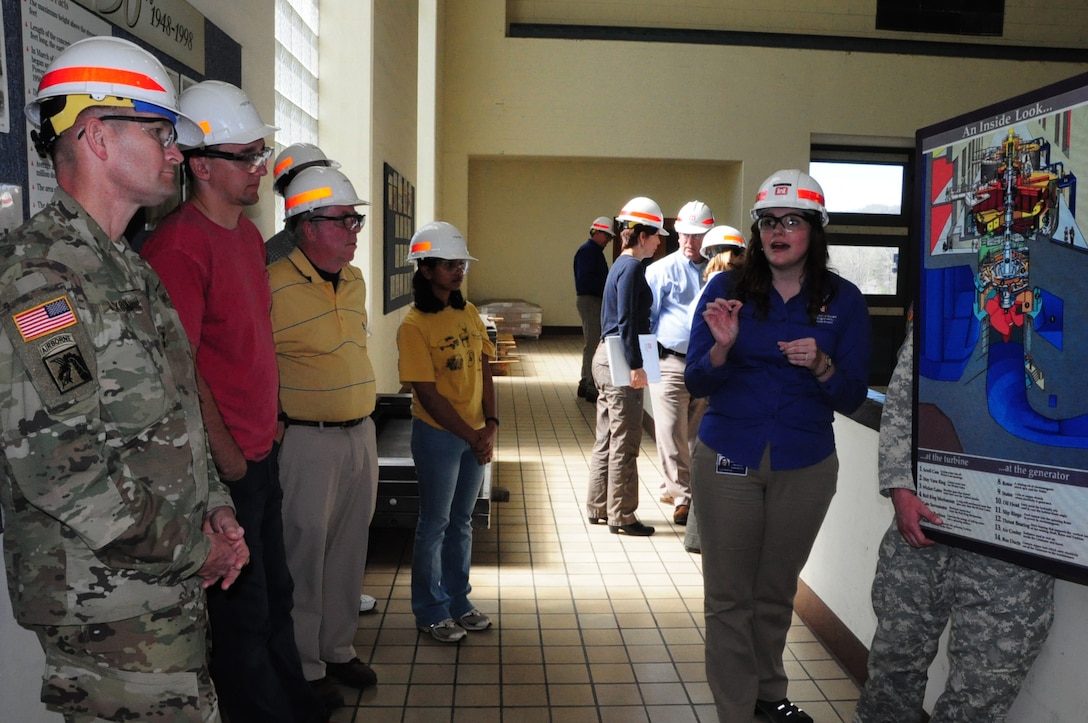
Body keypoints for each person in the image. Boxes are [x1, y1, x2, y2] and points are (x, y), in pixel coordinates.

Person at [0, 36, 249, 721]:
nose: (176, 152)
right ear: (97, 137)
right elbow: (63, 469)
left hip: (160, 589)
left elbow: (176, 415)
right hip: (104, 607)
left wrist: (216, 506)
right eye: (160, 132)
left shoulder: (129, 269)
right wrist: (195, 543)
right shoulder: (41, 277)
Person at [140, 80, 326, 723]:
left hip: (259, 454)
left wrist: (267, 429)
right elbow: (180, 372)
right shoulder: (177, 248)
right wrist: (232, 462)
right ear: (200, 166)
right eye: (245, 157)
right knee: (240, 619)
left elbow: (248, 348)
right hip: (227, 471)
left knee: (276, 593)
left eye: (258, 154)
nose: (259, 169)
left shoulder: (246, 239)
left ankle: (293, 702)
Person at [686, 169, 871, 722]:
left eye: (792, 220)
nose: (777, 231)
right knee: (727, 597)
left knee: (773, 590)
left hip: (805, 462)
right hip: (728, 457)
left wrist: (821, 364)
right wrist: (721, 350)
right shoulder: (725, 291)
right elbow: (697, 380)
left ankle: (769, 694)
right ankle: (737, 712)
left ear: (815, 230)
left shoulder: (846, 300)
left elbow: (853, 394)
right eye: (768, 221)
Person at [853, 319, 1054, 723]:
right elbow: (905, 391)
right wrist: (898, 485)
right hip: (929, 513)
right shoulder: (947, 295)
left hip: (1017, 533)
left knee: (985, 684)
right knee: (896, 657)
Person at [269, 166, 380, 706]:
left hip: (361, 433)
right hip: (306, 442)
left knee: (349, 548)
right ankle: (306, 665)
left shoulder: (355, 280)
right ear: (308, 226)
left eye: (355, 220)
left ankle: (338, 649)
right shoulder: (271, 282)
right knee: (304, 553)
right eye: (345, 221)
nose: (355, 230)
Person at [397, 221, 498, 643]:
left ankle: (459, 600)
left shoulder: (468, 312)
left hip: (475, 433)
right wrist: (471, 434)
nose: (459, 272)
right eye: (450, 265)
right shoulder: (414, 325)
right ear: (426, 269)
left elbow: (486, 369)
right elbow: (428, 393)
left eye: (461, 264)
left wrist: (490, 425)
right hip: (439, 436)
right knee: (435, 523)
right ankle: (430, 609)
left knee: (462, 521)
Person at [586, 196, 667, 537]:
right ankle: (622, 514)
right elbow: (629, 321)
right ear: (642, 234)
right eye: (657, 234)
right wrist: (637, 365)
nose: (661, 241)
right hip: (621, 357)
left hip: (605, 355)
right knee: (626, 439)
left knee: (607, 435)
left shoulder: (620, 263)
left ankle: (598, 506)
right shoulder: (633, 268)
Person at [680, 223, 748, 554]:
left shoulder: (726, 288)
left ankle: (699, 533)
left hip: (719, 388)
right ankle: (700, 533)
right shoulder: (723, 287)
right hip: (715, 383)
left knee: (703, 450)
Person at [646, 200, 714, 526]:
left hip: (705, 365)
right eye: (685, 235)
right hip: (669, 364)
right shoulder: (659, 271)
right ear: (677, 232)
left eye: (697, 236)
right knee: (671, 434)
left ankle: (673, 486)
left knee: (695, 436)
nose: (690, 242)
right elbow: (647, 322)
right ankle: (685, 499)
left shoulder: (718, 273)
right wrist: (648, 370)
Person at [266, 142, 341, 264]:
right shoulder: (273, 255)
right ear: (288, 189)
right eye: (309, 179)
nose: (320, 185)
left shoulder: (336, 243)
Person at [573, 216, 614, 403]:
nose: (608, 240)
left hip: (592, 300)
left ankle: (585, 382)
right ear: (596, 233)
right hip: (591, 300)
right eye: (606, 236)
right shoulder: (588, 252)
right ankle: (590, 385)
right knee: (593, 343)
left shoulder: (593, 252)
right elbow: (586, 280)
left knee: (591, 343)